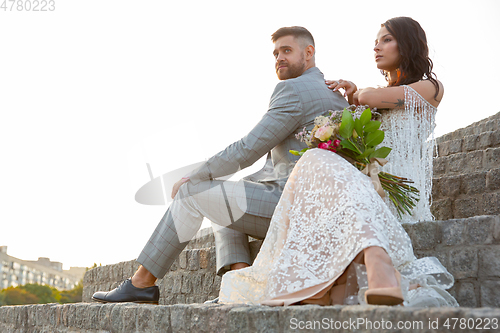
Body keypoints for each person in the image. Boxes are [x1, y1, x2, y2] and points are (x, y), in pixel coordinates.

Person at [91, 26, 349, 304]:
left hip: (294, 208)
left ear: (308, 53)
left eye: (286, 51)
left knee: (195, 193)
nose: (278, 59)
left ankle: (141, 283)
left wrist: (194, 175)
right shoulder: (336, 94)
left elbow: (248, 149)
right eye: (275, 53)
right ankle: (240, 282)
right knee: (224, 195)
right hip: (318, 207)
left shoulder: (293, 90)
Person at [218, 17, 458, 307]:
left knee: (318, 162)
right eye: (376, 42)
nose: (377, 47)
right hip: (368, 182)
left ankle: (365, 267)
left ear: (407, 44)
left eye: (386, 39)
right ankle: (375, 263)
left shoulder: (430, 87)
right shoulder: (375, 96)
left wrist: (356, 93)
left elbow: (370, 96)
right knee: (315, 157)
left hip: (398, 191)